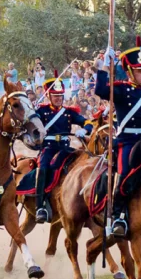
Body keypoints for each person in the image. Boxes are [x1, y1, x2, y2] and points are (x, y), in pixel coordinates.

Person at [96, 37, 141, 237]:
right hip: (128, 142)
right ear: (130, 71)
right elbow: (100, 90)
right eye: (140, 71)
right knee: (124, 173)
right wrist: (104, 68)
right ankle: (118, 215)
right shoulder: (121, 89)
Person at [33, 70, 92, 223]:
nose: (59, 99)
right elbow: (31, 126)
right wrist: (32, 113)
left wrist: (84, 129)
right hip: (49, 148)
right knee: (43, 167)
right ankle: (40, 205)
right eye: (55, 96)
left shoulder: (68, 113)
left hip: (65, 148)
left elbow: (87, 122)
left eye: (60, 96)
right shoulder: (41, 111)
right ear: (48, 96)